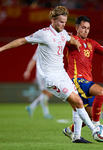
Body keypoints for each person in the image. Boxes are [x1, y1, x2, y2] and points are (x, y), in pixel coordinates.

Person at [0, 6, 97, 143]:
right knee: (78, 101)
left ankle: (76, 136)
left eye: (64, 22)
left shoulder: (63, 33)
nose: (63, 25)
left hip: (62, 74)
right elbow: (22, 40)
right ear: (53, 20)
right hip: (51, 78)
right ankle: (95, 130)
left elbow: (72, 40)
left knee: (76, 104)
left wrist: (75, 42)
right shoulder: (43, 34)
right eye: (60, 22)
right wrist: (2, 48)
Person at [62, 15, 103, 141]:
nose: (86, 30)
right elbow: (61, 40)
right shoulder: (72, 40)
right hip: (75, 80)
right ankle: (97, 124)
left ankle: (69, 130)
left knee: (87, 116)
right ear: (77, 28)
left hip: (87, 81)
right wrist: (63, 35)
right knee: (101, 91)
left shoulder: (92, 43)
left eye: (88, 28)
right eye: (83, 28)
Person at [24, 49, 53, 119]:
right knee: (46, 93)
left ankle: (31, 107)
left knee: (48, 94)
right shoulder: (40, 47)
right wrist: (28, 71)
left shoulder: (49, 45)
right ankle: (46, 113)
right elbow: (33, 60)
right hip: (42, 74)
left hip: (48, 73)